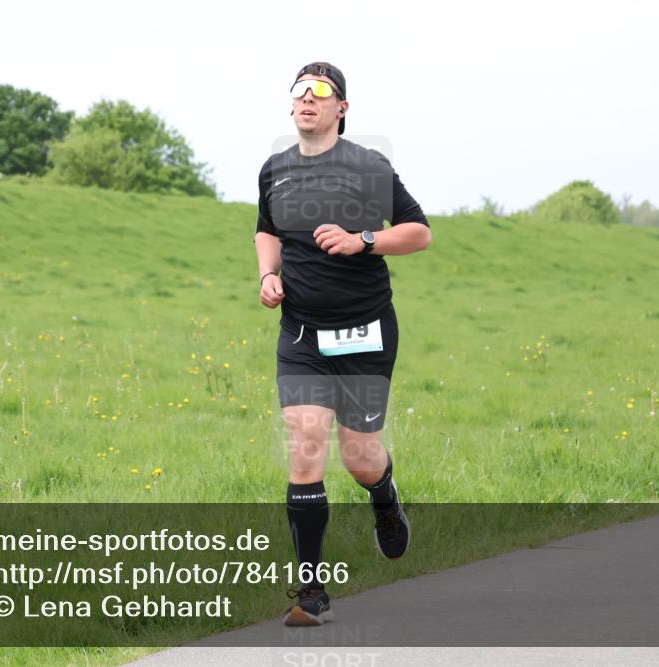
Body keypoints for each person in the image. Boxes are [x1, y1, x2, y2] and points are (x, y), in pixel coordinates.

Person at [253, 62, 432, 626]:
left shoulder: (368, 166)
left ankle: (385, 498)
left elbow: (418, 232)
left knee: (359, 457)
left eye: (321, 91)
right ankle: (311, 592)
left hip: (364, 334)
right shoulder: (274, 170)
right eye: (299, 91)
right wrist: (267, 274)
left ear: (342, 108)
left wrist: (364, 240)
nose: (307, 99)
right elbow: (267, 230)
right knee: (306, 446)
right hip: (302, 334)